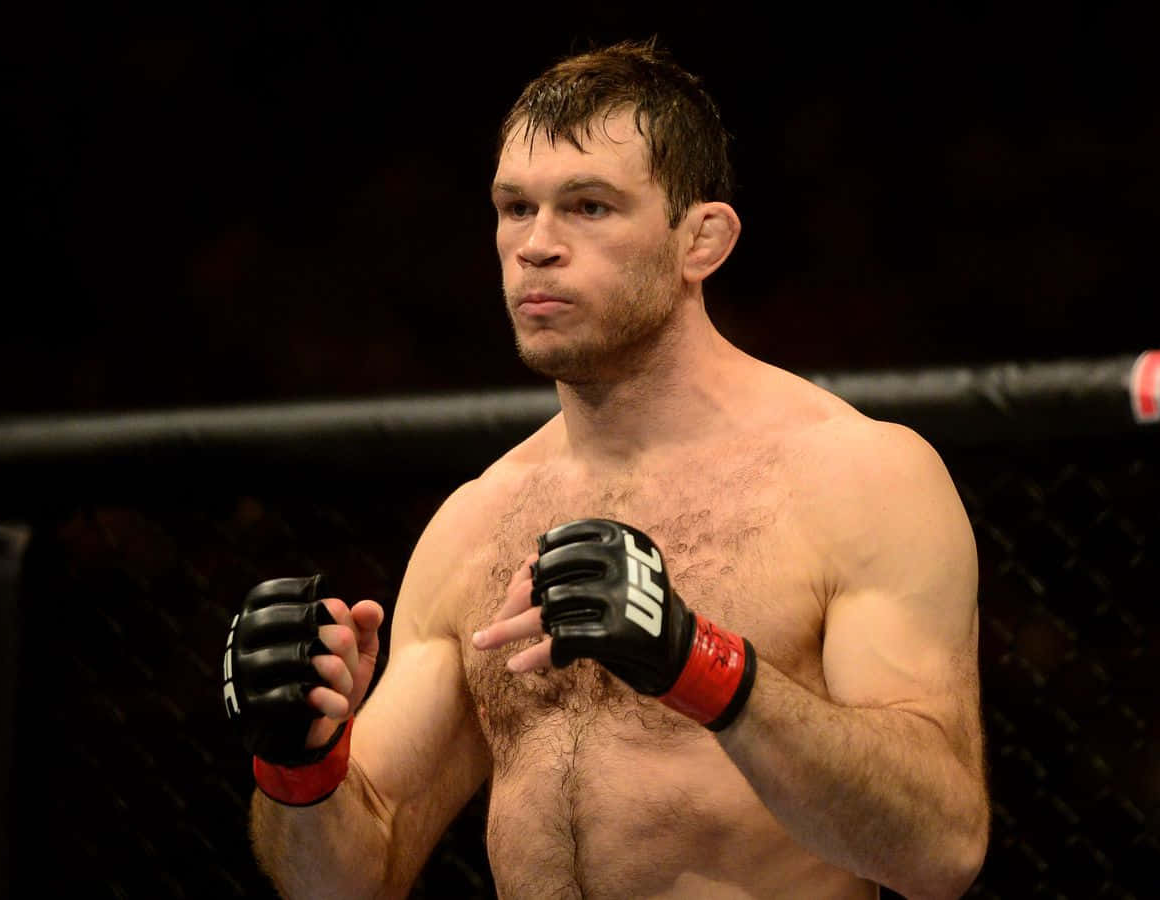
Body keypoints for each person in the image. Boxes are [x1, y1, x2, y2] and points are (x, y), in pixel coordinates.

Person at [225, 38, 989, 899]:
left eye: (589, 206)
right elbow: (347, 883)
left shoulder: (858, 476)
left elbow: (940, 850)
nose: (536, 245)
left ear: (702, 240)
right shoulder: (476, 522)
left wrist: (697, 666)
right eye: (516, 207)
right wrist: (301, 764)